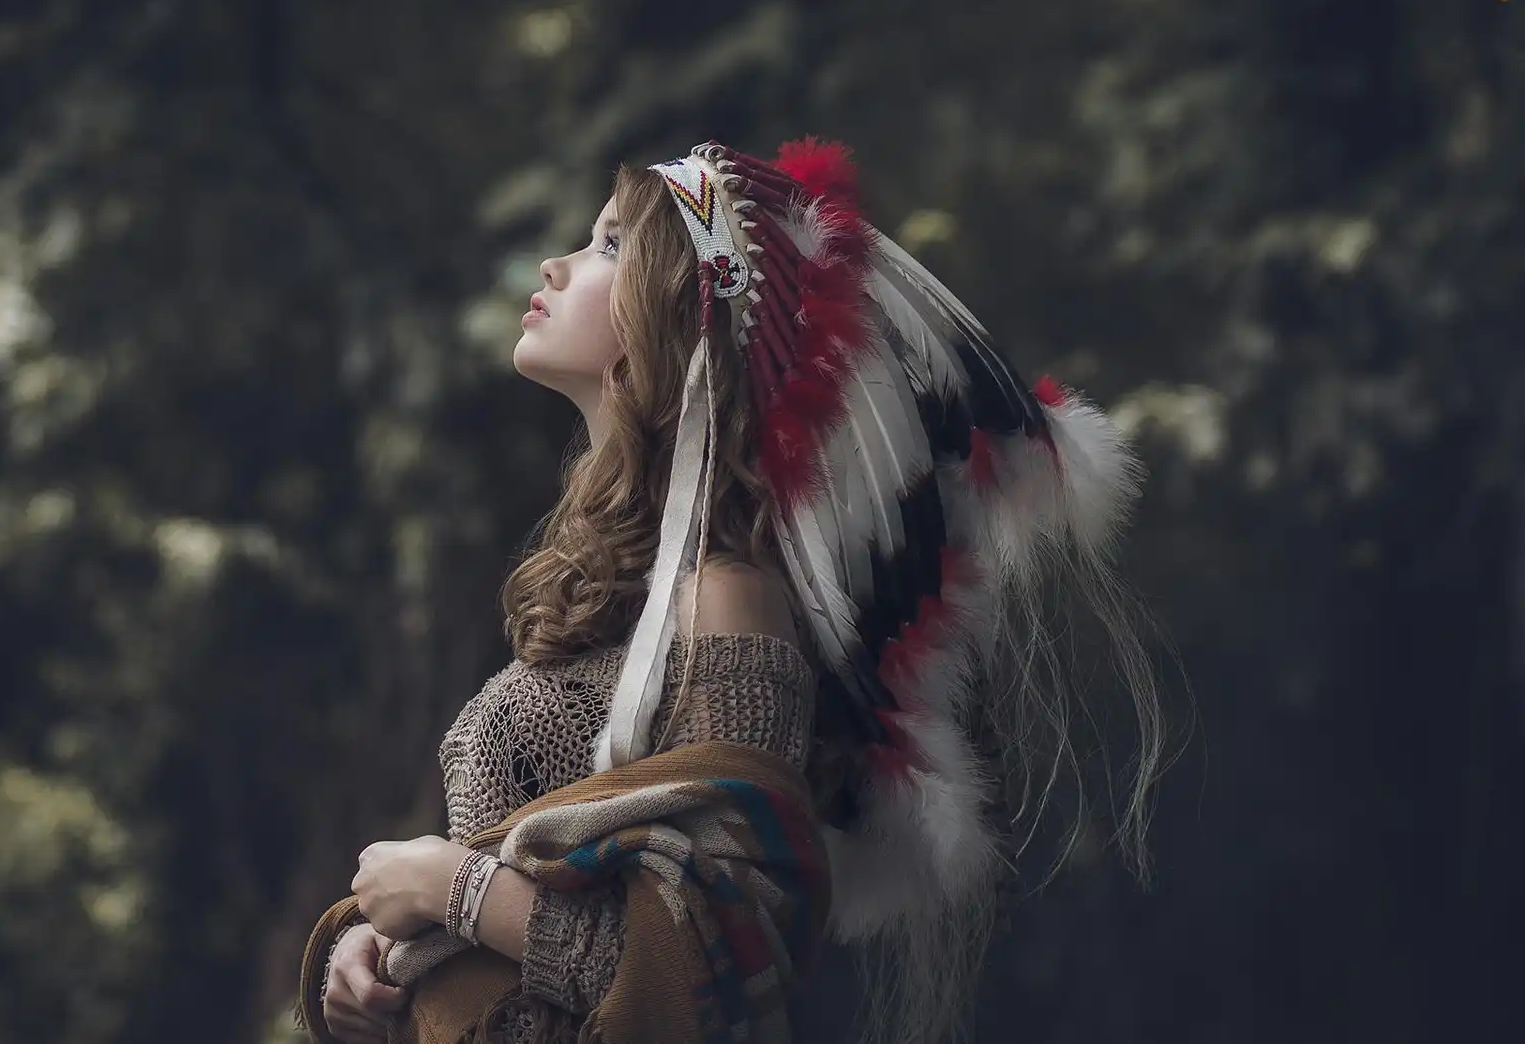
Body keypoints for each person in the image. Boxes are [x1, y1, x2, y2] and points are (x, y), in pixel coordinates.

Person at [298, 139, 1168, 1044]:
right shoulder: (609, 591)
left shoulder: (725, 599)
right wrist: (367, 955)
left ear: (683, 322)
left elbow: (714, 974)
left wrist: (454, 889)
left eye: (609, 245)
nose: (555, 264)